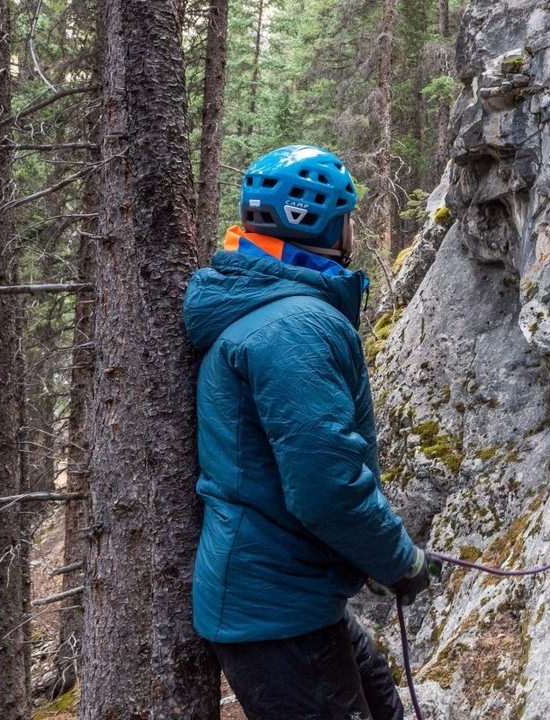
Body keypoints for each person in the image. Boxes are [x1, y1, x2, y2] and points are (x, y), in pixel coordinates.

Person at [183, 145, 438, 720]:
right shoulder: (297, 326)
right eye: (349, 214)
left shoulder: (275, 311)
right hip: (276, 612)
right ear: (323, 223)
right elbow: (327, 485)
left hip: (288, 599)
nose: (354, 226)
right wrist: (399, 562)